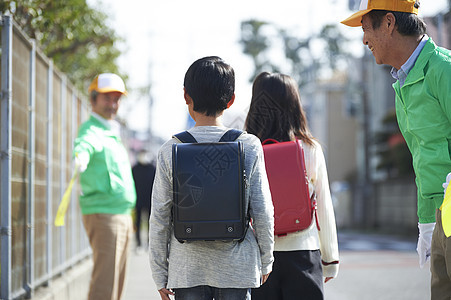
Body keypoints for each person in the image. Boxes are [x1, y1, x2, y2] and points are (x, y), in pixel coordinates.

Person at [341, 1, 451, 298]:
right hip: (441, 219)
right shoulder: (404, 82)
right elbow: (423, 158)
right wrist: (427, 222)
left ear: (389, 23)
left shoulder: (444, 69)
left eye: (366, 28)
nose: (364, 40)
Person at [149, 56, 274, 300]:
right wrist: (266, 259)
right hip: (237, 268)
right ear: (231, 100)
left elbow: (160, 217)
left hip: (187, 269)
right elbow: (263, 209)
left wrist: (159, 273)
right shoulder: (248, 145)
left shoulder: (169, 150)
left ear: (186, 96)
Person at [245, 72, 339, 299]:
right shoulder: (309, 149)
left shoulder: (246, 149)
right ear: (295, 105)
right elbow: (323, 207)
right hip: (303, 254)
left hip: (259, 258)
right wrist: (330, 259)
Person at [73, 73, 136, 300]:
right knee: (105, 285)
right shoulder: (91, 129)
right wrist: (80, 157)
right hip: (104, 214)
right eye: (107, 98)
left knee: (116, 284)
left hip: (120, 214)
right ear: (93, 99)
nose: (113, 104)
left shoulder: (111, 130)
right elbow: (84, 145)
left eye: (117, 99)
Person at [132, 150, 156, 251]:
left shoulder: (152, 169)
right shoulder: (134, 169)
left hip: (150, 200)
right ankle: (138, 243)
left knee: (151, 222)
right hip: (138, 200)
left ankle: (149, 243)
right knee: (137, 222)